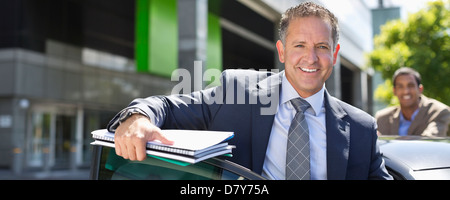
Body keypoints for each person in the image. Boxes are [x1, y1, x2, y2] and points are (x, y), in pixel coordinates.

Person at [107, 2, 392, 180]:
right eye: (299, 46)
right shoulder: (237, 91)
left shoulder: (361, 128)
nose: (311, 58)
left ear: (335, 54)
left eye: (322, 47)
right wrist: (137, 118)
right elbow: (168, 107)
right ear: (281, 51)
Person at [375, 67, 450, 136]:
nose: (406, 91)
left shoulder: (440, 112)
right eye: (400, 86)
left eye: (411, 86)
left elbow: (429, 141)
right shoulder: (382, 118)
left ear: (420, 89)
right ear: (394, 91)